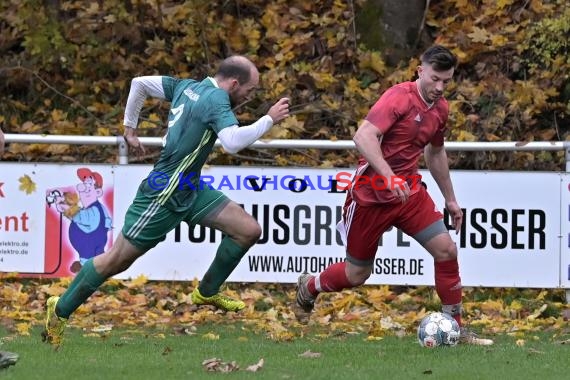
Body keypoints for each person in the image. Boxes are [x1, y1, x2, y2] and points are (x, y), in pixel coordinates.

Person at [43, 55, 290, 347]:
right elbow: (233, 142)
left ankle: (207, 291)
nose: (250, 95)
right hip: (162, 194)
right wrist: (269, 119)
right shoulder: (216, 100)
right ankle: (59, 311)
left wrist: (130, 128)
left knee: (248, 230)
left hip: (189, 187)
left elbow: (140, 84)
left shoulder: (185, 86)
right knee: (114, 261)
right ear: (234, 83)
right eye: (250, 90)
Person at [293, 45, 493, 345]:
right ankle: (310, 285)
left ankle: (456, 327)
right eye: (435, 78)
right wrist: (389, 176)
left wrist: (450, 198)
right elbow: (363, 136)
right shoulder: (399, 96)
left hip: (409, 193)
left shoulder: (440, 109)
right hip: (371, 196)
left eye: (446, 81)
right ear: (420, 70)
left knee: (447, 250)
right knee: (357, 274)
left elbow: (435, 152)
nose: (439, 87)